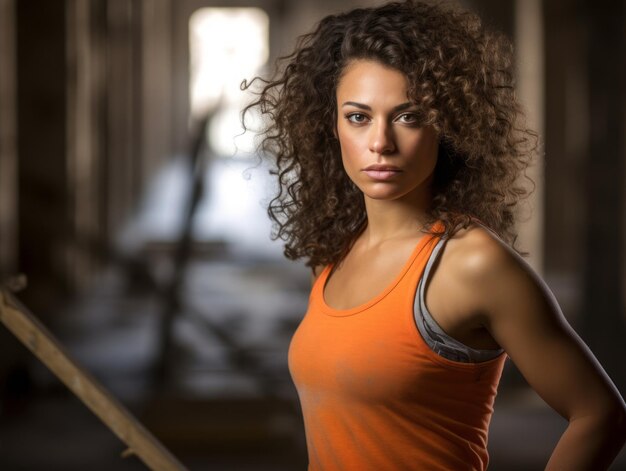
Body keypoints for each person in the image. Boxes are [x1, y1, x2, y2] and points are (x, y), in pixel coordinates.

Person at [242, 1, 626, 469]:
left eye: (408, 116)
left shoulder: (472, 263)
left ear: (447, 127)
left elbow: (600, 414)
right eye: (358, 117)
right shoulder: (335, 253)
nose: (380, 142)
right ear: (331, 127)